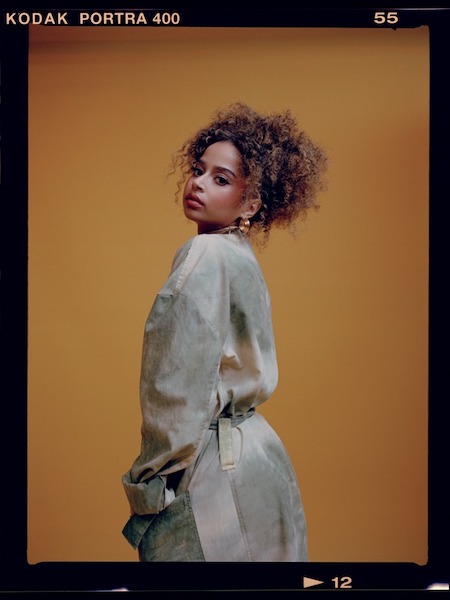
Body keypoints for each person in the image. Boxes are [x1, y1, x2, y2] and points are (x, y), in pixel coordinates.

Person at [121, 102, 327, 562]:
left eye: (221, 179)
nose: (198, 183)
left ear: (251, 204)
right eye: (198, 170)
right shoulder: (240, 256)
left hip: (213, 466)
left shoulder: (205, 254)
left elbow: (174, 386)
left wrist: (148, 484)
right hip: (260, 455)